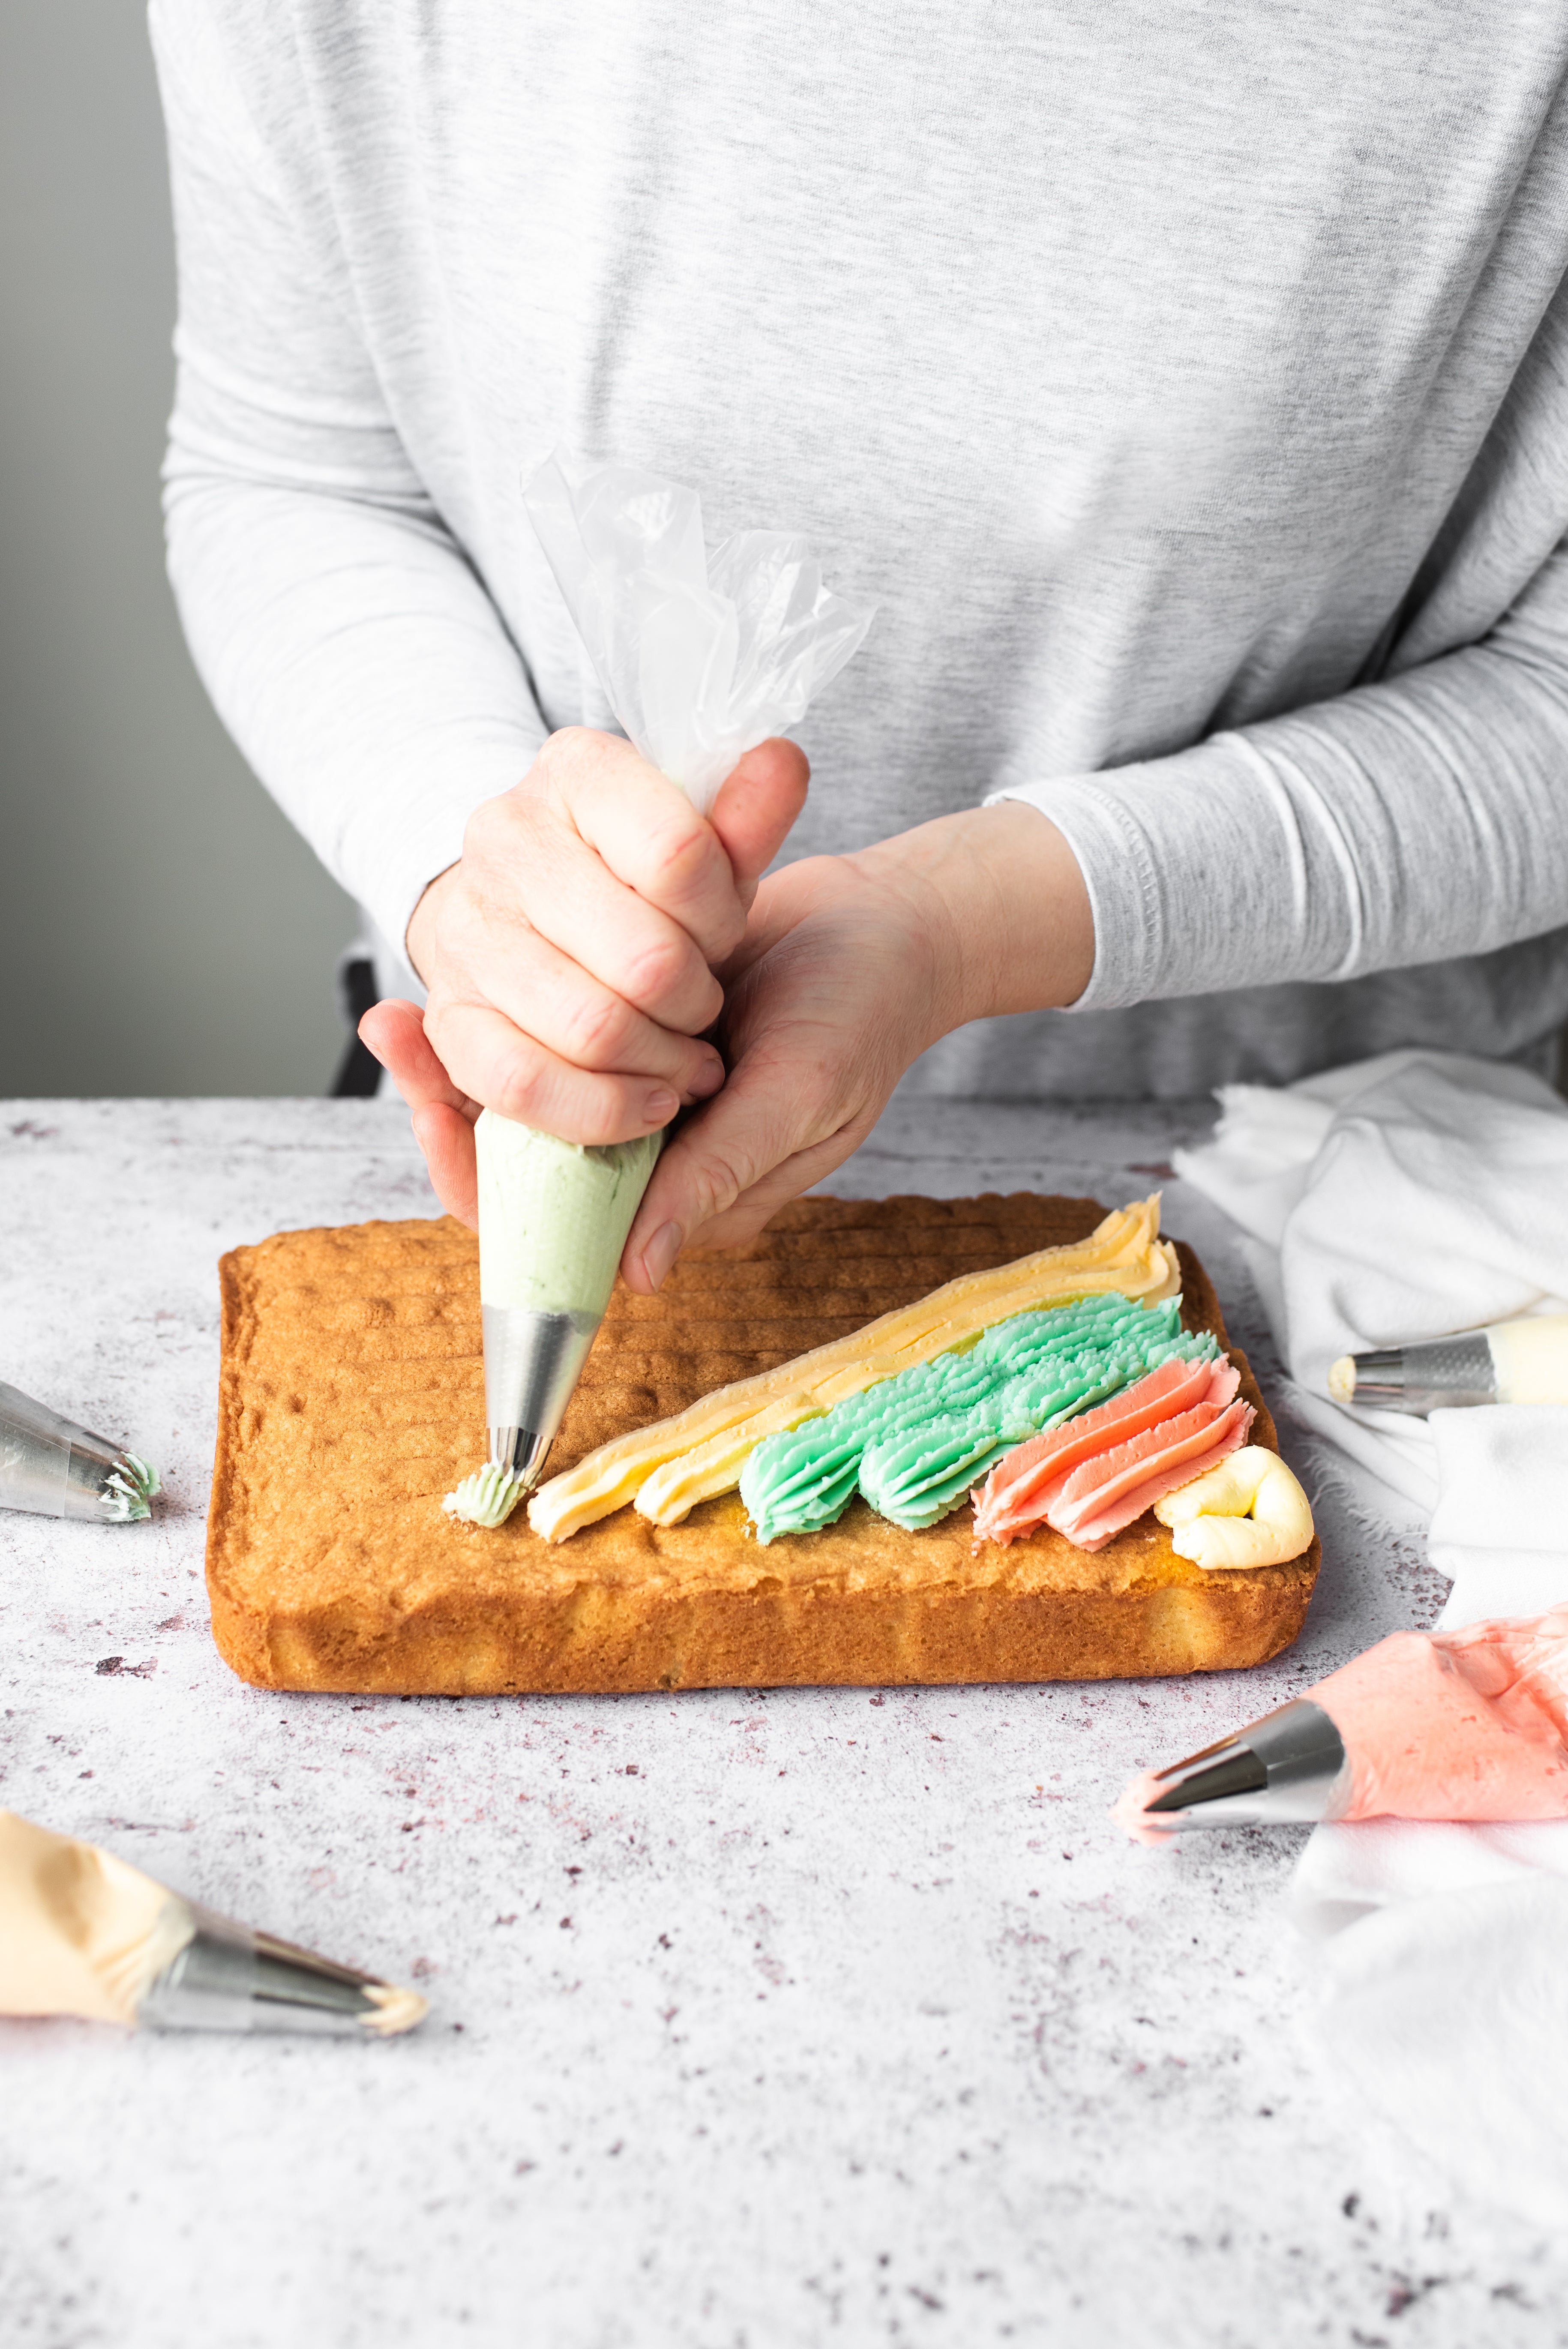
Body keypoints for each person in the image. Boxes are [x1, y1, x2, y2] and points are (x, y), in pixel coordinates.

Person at [152, 3, 1568, 1294]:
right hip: (484, 1115)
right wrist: (476, 884)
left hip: (1333, 1210)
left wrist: (955, 922)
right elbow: (299, 470)